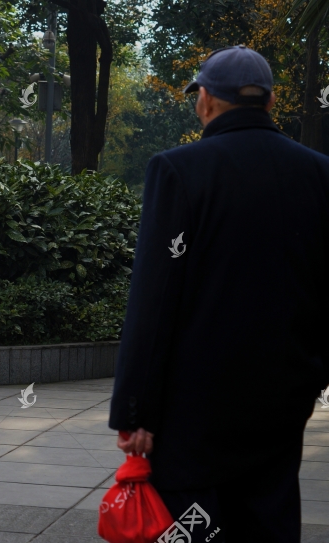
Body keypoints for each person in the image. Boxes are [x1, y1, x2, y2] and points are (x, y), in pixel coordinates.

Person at [109, 45, 329, 541]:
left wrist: (135, 411)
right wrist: (314, 372)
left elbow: (154, 296)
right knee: (270, 514)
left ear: (205, 99)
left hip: (193, 405)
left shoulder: (178, 170)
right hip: (284, 394)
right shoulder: (319, 173)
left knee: (194, 526)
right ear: (269, 103)